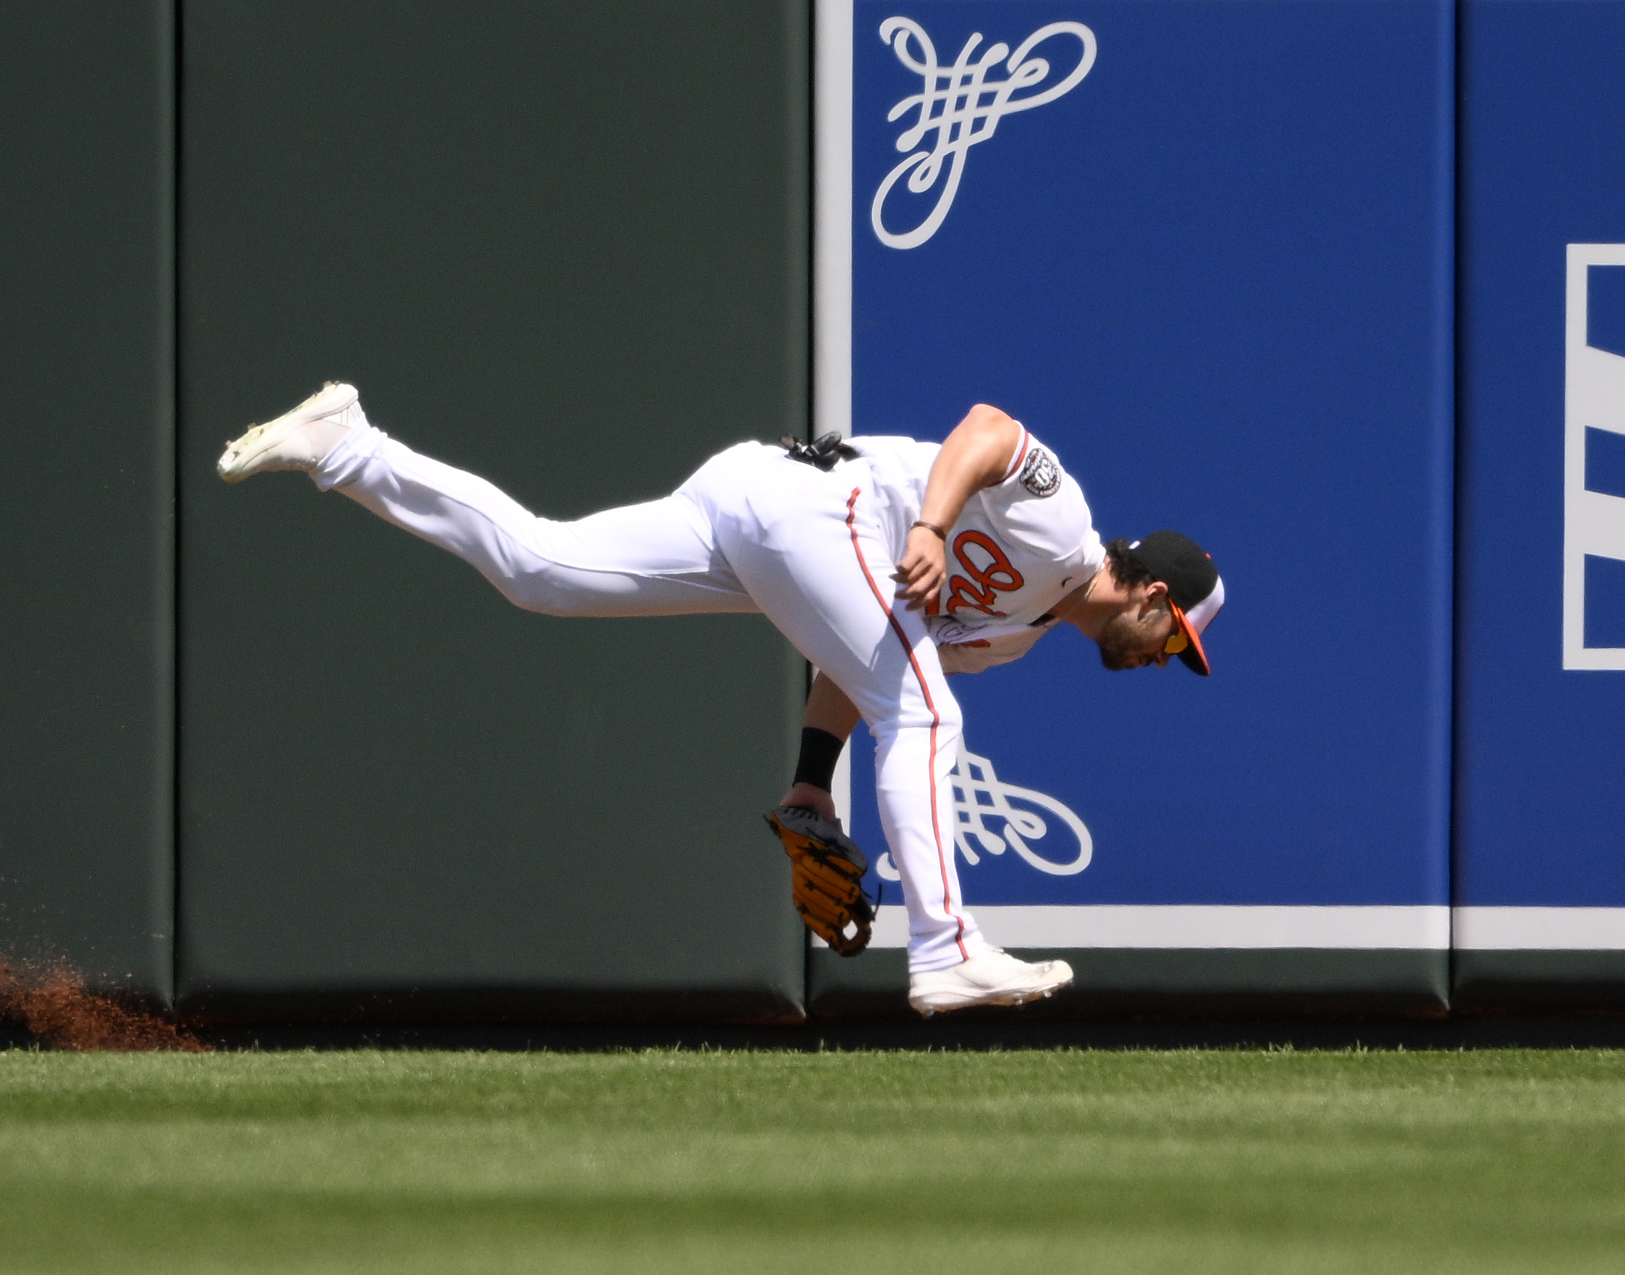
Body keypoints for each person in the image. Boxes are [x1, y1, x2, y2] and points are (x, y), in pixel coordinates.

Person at [218, 384, 1224, 1015]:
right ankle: (947, 948)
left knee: (544, 570)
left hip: (756, 506)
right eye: (1171, 637)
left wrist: (807, 789)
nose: (1161, 658)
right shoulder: (1064, 531)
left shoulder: (1010, 639)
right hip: (810, 501)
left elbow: (855, 659)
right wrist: (929, 524)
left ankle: (349, 448)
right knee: (924, 716)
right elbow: (987, 427)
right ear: (1149, 594)